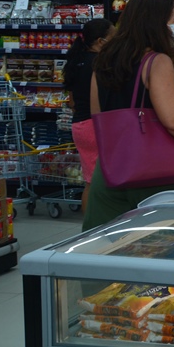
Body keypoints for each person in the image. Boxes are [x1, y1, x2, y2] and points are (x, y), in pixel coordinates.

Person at [83, 0, 174, 231]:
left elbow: (98, 117)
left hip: (110, 170)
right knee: (160, 249)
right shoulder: (157, 61)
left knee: (105, 249)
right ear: (155, 23)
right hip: (154, 173)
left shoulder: (104, 59)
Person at [63, 17, 114, 211]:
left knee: (91, 180)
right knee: (96, 182)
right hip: (95, 126)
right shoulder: (99, 63)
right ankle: (91, 226)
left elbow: (72, 101)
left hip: (80, 126)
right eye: (113, 37)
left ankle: (90, 224)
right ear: (101, 41)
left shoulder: (76, 61)